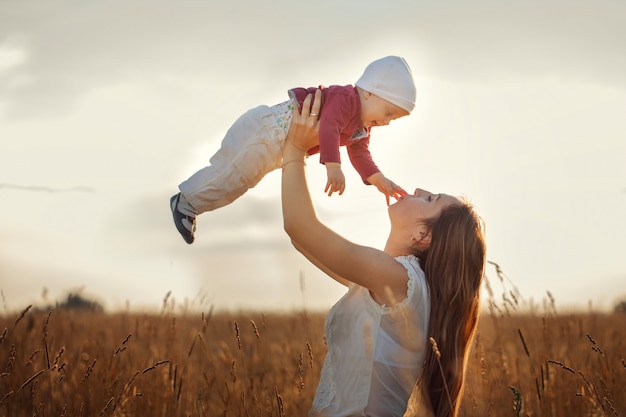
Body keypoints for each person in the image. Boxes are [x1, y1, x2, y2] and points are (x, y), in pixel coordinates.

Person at [281, 90, 487, 417]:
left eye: (430, 199)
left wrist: (294, 147)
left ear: (423, 235)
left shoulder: (400, 280)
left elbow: (299, 226)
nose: (418, 190)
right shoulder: (388, 279)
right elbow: (303, 240)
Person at [170, 56, 416, 244]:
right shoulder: (346, 98)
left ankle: (191, 205)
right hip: (265, 131)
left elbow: (361, 154)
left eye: (393, 119)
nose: (386, 122)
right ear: (370, 91)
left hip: (276, 145)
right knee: (231, 176)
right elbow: (329, 125)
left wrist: (379, 179)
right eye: (388, 112)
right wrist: (333, 166)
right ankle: (187, 201)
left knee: (236, 182)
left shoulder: (360, 129)